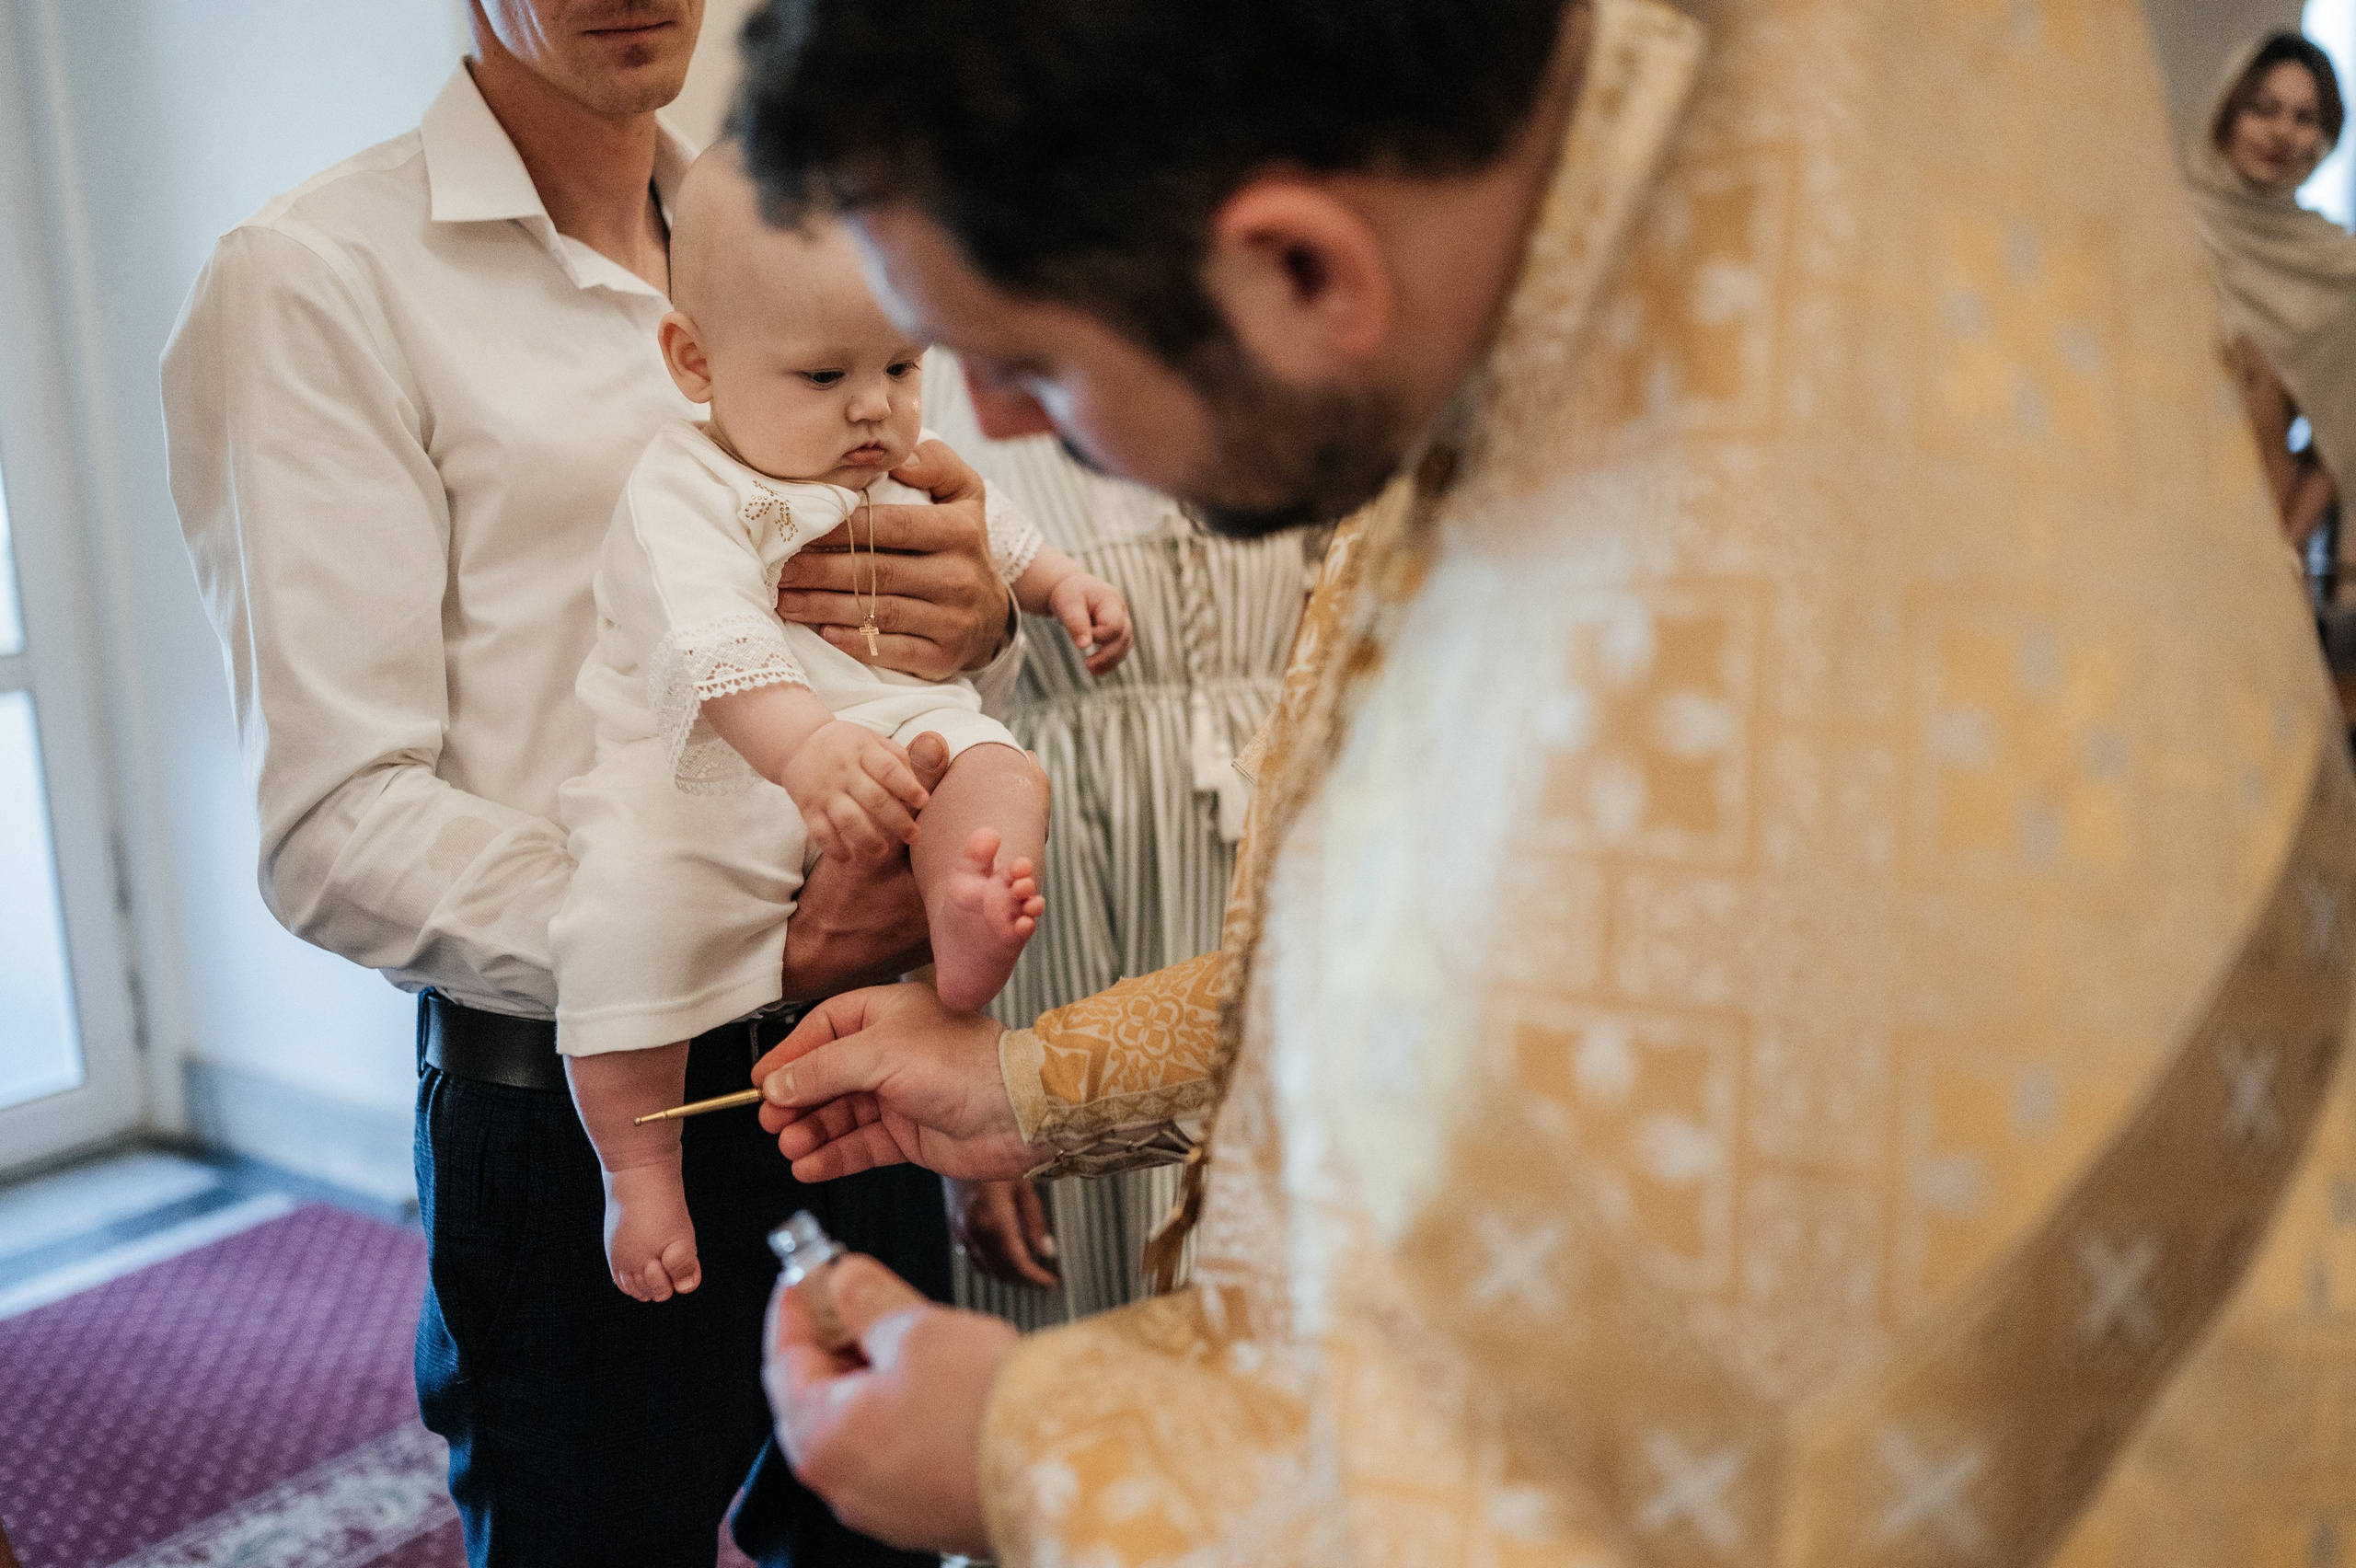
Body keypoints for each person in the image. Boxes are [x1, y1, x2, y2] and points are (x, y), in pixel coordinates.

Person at [733, 0, 2356, 1563]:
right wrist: (1030, 1085)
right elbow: (1400, 1017)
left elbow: (1626, 1503)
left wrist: (1026, 1449)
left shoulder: (1748, 698)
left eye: (1026, 360)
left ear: (1304, 267)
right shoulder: (1589, 298)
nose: (991, 422)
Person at [160, 3, 1022, 1563]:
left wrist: (983, 621)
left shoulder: (795, 220)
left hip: (861, 1059)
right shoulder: (314, 279)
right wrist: (725, 949)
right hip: (576, 1115)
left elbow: (885, 632)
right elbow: (333, 825)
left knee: (889, 1542)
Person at [557, 149, 1130, 1302]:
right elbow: (710, 638)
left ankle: (966, 913)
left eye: (901, 365)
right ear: (695, 362)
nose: (874, 407)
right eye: (825, 375)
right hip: (714, 775)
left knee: (998, 766)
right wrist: (806, 748)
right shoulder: (685, 488)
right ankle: (638, 1167)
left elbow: (999, 534)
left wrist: (1061, 585)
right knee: (619, 923)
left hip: (885, 727)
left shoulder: (895, 463)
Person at [918, 357, 1311, 1319]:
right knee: (1086, 1279)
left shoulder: (1270, 356)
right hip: (1053, 871)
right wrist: (955, 1080)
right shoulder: (934, 398)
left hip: (1276, 848)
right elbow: (906, 724)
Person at [2189, 32, 2356, 556]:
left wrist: (2285, 546)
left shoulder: (2339, 269)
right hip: (2141, 494)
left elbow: (2345, 437)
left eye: (2305, 118)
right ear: (2227, 113)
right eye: (2263, 109)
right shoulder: (2165, 221)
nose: (2282, 132)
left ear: (2325, 137)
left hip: (2256, 528)